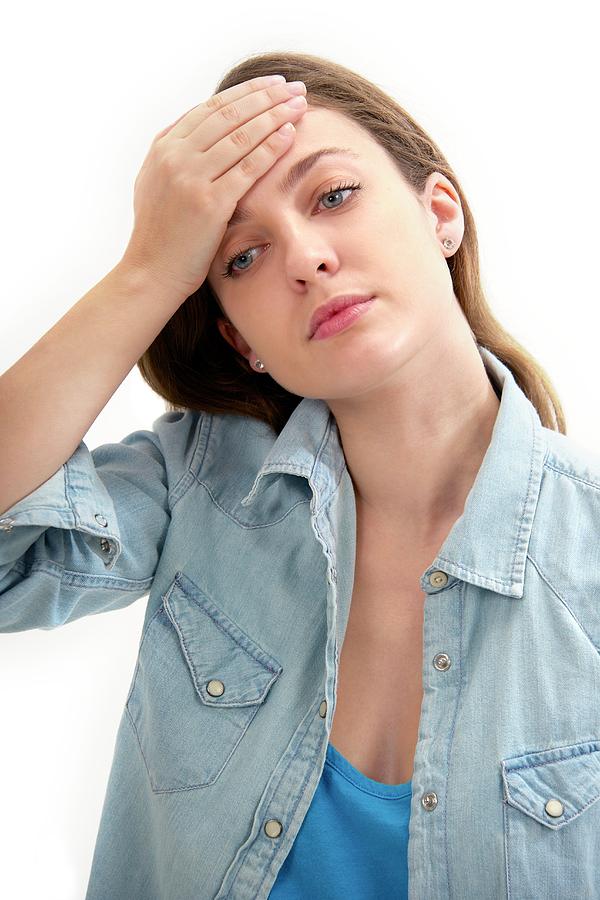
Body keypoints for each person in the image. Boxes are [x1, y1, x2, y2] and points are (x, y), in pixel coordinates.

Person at [1, 49, 598, 900]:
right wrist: (150, 269)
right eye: (241, 258)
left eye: (334, 196)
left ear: (440, 213)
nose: (305, 259)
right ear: (241, 340)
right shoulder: (197, 482)